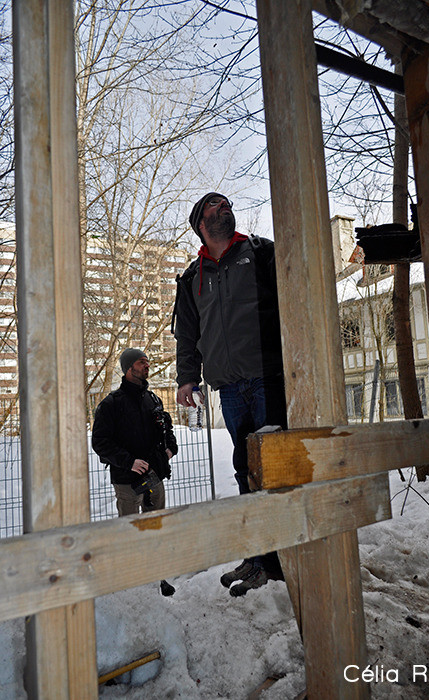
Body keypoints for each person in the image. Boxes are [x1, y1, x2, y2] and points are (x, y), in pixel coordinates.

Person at [173, 192, 287, 596]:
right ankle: (258, 558)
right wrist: (188, 378)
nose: (224, 207)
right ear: (200, 222)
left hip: (268, 377)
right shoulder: (192, 278)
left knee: (277, 468)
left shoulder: (260, 253)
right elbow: (187, 334)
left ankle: (283, 561)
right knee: (245, 470)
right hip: (230, 389)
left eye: (226, 204)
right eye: (213, 205)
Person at [92, 348, 178, 596]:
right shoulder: (110, 405)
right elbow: (100, 443)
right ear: (129, 368)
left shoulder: (153, 400)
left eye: (148, 362)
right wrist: (128, 461)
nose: (147, 366)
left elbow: (167, 432)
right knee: (129, 531)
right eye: (142, 363)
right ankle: (130, 580)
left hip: (155, 479)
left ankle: (158, 576)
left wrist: (168, 452)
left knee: (155, 528)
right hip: (126, 481)